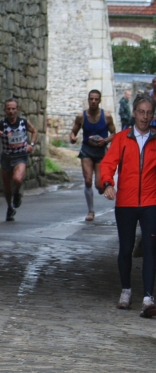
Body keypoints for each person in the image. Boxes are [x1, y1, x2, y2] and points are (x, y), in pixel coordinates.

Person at [99, 95, 156, 315]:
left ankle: (148, 298)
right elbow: (108, 164)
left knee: (150, 248)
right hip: (126, 202)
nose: (145, 116)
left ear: (153, 115)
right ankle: (126, 290)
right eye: (141, 112)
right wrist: (107, 184)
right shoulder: (122, 139)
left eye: (149, 112)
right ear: (134, 113)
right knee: (125, 248)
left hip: (151, 202)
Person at [0, 99, 38, 221]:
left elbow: (35, 131)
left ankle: (17, 193)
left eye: (13, 109)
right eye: (8, 109)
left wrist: (31, 145)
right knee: (7, 186)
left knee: (17, 179)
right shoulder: (1, 125)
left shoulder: (23, 122)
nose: (11, 111)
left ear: (17, 110)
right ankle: (10, 207)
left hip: (21, 155)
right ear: (5, 110)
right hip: (7, 157)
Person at [69, 90, 116, 221]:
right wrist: (72, 138)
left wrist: (105, 140)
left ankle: (101, 189)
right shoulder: (81, 116)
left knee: (100, 186)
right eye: (91, 99)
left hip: (101, 152)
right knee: (88, 180)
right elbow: (73, 132)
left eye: (96, 99)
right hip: (87, 151)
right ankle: (91, 211)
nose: (93, 101)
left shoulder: (106, 116)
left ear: (100, 100)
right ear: (88, 100)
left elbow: (114, 134)